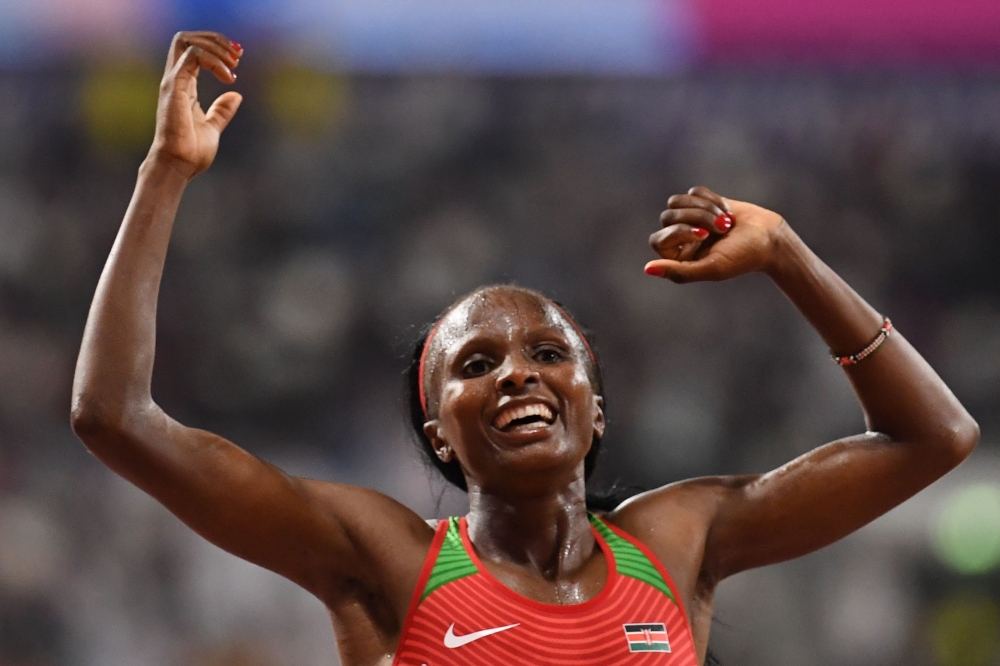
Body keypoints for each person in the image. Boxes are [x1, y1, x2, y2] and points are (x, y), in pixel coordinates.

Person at [71, 32, 979, 666]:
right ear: (437, 435)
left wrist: (787, 255)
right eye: (475, 365)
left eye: (549, 353)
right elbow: (114, 418)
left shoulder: (677, 543)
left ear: (596, 406)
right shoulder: (386, 562)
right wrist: (165, 174)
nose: (516, 371)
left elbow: (933, 438)